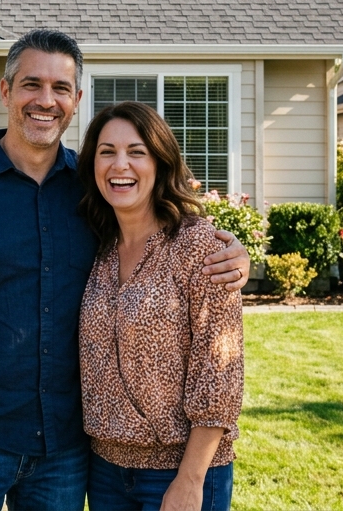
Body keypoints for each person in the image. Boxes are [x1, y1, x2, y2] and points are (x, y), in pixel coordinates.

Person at [0, 29, 252, 510]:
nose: (46, 100)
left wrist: (235, 254)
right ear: (5, 91)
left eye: (60, 88)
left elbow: (158, 229)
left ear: (76, 99)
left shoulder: (93, 191)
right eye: (31, 85)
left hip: (64, 450)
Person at [78, 101, 243, 511]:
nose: (121, 165)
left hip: (180, 472)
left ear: (160, 162)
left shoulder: (198, 247)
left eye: (137, 152)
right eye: (107, 151)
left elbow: (220, 373)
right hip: (105, 469)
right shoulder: (98, 249)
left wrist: (190, 480)